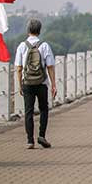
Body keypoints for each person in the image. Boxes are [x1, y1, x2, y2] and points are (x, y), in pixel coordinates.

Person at [14, 18, 57, 149]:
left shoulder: (22, 46)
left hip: (27, 83)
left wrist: (20, 84)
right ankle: (42, 136)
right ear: (39, 30)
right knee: (44, 109)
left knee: (28, 111)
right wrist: (53, 84)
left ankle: (29, 140)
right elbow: (50, 66)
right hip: (41, 82)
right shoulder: (44, 46)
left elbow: (19, 68)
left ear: (28, 30)